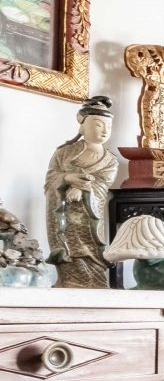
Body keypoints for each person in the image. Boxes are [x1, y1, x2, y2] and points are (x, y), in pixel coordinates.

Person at [44, 94, 117, 288]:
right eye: (98, 125)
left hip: (90, 213)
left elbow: (102, 183)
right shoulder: (64, 152)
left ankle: (94, 280)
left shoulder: (110, 160)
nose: (104, 131)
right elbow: (51, 178)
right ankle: (68, 279)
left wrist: (80, 188)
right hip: (64, 210)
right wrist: (68, 178)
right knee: (68, 245)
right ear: (83, 125)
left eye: (108, 127)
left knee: (90, 246)